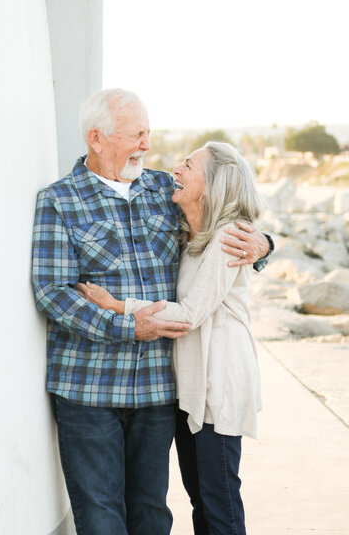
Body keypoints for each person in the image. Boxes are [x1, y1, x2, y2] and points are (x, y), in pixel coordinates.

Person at [32, 89, 272, 535]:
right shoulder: (59, 201)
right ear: (97, 139)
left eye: (148, 133)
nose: (147, 145)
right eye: (136, 134)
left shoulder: (164, 188)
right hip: (89, 388)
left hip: (157, 391)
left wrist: (264, 245)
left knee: (152, 516)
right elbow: (52, 292)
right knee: (102, 518)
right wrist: (125, 325)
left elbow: (225, 210)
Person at [78, 141, 265, 535]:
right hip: (192, 386)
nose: (175, 171)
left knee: (220, 500)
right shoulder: (192, 232)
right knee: (201, 496)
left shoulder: (229, 237)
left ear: (211, 187)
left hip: (219, 385)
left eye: (188, 166)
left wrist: (116, 306)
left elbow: (189, 315)